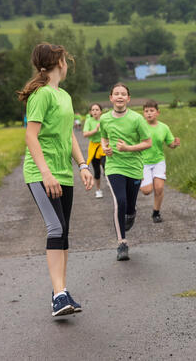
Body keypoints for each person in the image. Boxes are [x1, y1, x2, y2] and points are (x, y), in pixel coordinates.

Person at [17, 43, 93, 317]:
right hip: (42, 174)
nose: (68, 64)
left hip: (64, 173)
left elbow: (68, 134)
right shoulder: (41, 95)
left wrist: (83, 164)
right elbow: (30, 136)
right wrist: (46, 173)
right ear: (58, 62)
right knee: (55, 229)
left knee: (64, 233)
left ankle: (59, 291)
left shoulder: (64, 96)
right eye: (65, 60)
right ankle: (59, 295)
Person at [100, 83, 152, 261]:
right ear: (111, 98)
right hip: (114, 166)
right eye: (116, 94)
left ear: (128, 99)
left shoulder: (137, 119)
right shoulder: (105, 119)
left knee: (129, 205)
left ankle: (131, 213)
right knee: (119, 202)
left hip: (134, 167)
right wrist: (104, 147)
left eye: (123, 94)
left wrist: (128, 148)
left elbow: (148, 142)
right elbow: (104, 137)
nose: (120, 96)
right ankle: (122, 243)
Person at [140, 100, 180, 223]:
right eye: (146, 111)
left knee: (159, 188)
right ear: (143, 113)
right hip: (142, 162)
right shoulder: (140, 126)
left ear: (158, 112)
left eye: (151, 111)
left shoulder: (164, 127)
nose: (149, 113)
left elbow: (170, 144)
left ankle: (156, 213)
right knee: (146, 191)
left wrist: (175, 144)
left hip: (158, 161)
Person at [82, 103, 106, 198]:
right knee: (96, 171)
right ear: (90, 112)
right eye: (93, 110)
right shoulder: (89, 121)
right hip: (93, 147)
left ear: (101, 111)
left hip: (103, 146)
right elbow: (85, 134)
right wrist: (95, 130)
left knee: (106, 166)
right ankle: (98, 190)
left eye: (97, 110)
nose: (95, 111)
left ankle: (108, 177)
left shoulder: (104, 120)